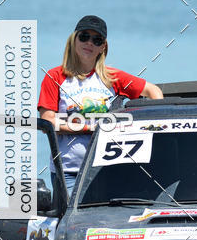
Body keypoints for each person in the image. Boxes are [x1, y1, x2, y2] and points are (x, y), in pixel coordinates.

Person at [38, 15, 163, 195]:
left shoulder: (112, 77)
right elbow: (47, 122)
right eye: (84, 36)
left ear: (103, 47)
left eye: (97, 40)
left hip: (106, 170)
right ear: (74, 39)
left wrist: (154, 130)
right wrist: (89, 127)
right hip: (68, 172)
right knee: (72, 223)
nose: (89, 43)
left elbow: (153, 91)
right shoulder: (55, 77)